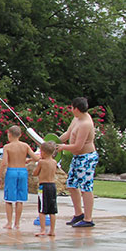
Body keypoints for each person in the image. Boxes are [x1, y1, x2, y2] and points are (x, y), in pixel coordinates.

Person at [57, 97, 99, 228]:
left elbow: (78, 146)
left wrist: (62, 147)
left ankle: (88, 219)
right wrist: (54, 142)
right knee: (71, 185)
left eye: (71, 108)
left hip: (86, 157)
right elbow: (68, 134)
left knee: (86, 187)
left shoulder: (86, 123)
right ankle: (78, 214)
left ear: (76, 108)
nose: (71, 110)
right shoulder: (76, 119)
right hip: (77, 158)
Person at [0, 125, 38, 229]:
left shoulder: (7, 147)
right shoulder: (25, 146)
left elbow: (4, 163)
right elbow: (36, 158)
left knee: (9, 199)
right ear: (20, 135)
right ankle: (17, 223)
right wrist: (29, 160)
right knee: (20, 199)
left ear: (9, 135)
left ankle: (9, 223)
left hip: (12, 172)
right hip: (23, 171)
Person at [34, 141, 59, 237]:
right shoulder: (54, 162)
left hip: (43, 186)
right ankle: (52, 230)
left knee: (42, 209)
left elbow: (35, 173)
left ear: (43, 152)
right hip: (52, 186)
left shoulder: (41, 162)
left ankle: (43, 229)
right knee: (52, 210)